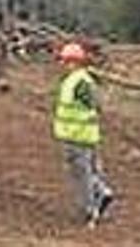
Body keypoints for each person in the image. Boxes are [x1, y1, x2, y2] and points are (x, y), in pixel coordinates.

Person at [52, 42, 114, 228]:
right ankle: (101, 193)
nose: (61, 64)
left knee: (82, 173)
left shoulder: (76, 82)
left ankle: (91, 209)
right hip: (88, 134)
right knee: (93, 169)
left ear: (73, 62)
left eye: (64, 61)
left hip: (75, 135)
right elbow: (98, 106)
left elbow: (93, 104)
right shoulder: (85, 80)